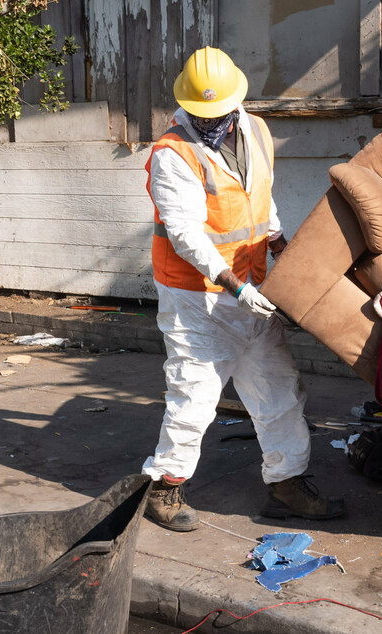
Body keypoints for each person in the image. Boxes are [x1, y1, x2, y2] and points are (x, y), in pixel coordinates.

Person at [141, 47, 345, 531]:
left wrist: (280, 247)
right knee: (194, 395)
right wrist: (236, 286)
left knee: (279, 389)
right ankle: (164, 487)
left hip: (250, 287)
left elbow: (260, 196)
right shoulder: (172, 154)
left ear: (236, 99)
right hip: (196, 298)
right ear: (186, 106)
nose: (210, 121)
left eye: (217, 112)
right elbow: (187, 233)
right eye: (200, 113)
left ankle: (286, 482)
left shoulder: (254, 129)